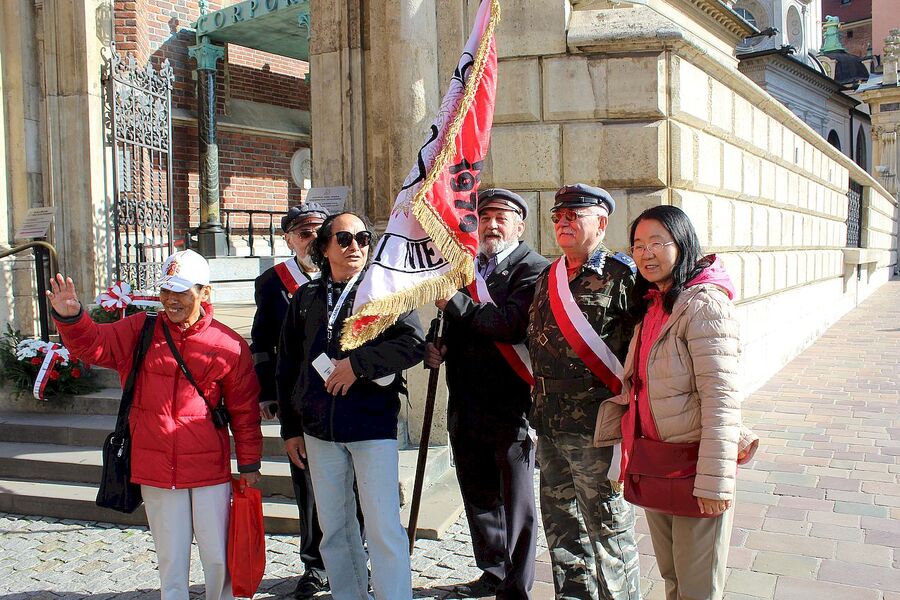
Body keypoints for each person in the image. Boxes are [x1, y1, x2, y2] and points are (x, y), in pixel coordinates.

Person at [46, 249, 262, 600]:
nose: (171, 300)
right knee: (170, 561)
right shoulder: (140, 329)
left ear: (204, 292)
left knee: (219, 559)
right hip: (157, 467)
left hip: (208, 468)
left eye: (181, 291)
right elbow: (94, 345)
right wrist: (71, 318)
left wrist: (249, 463)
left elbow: (245, 411)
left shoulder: (229, 344)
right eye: (165, 291)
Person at [605, 205, 754, 600]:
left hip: (695, 465)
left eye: (657, 243)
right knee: (672, 576)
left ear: (682, 243)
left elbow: (722, 401)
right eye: (638, 245)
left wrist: (714, 482)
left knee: (698, 587)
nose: (645, 253)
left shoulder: (704, 306)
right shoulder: (655, 303)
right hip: (659, 463)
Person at [275, 211, 425, 600]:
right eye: (344, 239)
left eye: (362, 238)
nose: (355, 246)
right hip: (318, 430)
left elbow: (412, 344)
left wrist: (356, 366)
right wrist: (290, 428)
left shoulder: (385, 293)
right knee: (335, 528)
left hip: (371, 427)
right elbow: (287, 365)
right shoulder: (306, 297)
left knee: (382, 527)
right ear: (324, 247)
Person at [425, 188, 548, 599]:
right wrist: (435, 344)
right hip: (465, 400)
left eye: (502, 216)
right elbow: (451, 323)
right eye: (485, 216)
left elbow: (508, 324)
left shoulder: (533, 268)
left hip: (510, 407)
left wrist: (455, 303)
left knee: (516, 505)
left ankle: (516, 588)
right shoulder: (464, 268)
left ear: (520, 224)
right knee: (478, 495)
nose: (492, 224)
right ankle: (493, 570)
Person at [526, 184, 641, 600]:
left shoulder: (623, 275)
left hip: (598, 428)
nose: (563, 222)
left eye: (574, 214)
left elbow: (640, 350)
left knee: (608, 531)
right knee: (562, 532)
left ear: (601, 221)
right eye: (558, 216)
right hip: (551, 425)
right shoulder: (548, 277)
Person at [249, 202, 332, 598]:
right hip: (299, 397)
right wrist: (266, 392)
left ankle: (354, 557)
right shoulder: (272, 282)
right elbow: (262, 343)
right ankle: (314, 565)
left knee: (352, 487)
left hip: (346, 395)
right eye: (303, 233)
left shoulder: (350, 274)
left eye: (319, 231)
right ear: (288, 239)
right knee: (309, 488)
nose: (312, 239)